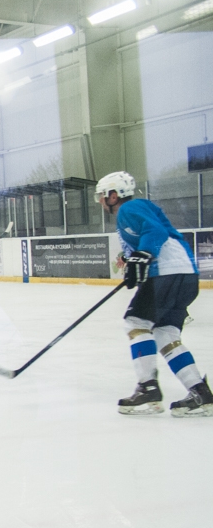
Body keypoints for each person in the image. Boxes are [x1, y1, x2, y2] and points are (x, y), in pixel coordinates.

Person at [96, 171, 213, 417]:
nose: (100, 201)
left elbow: (154, 231)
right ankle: (200, 392)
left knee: (136, 323)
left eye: (102, 196)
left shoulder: (129, 208)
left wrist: (144, 254)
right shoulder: (139, 209)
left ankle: (147, 387)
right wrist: (133, 261)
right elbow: (149, 237)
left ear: (113, 195)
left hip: (166, 272)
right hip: (185, 275)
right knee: (165, 333)